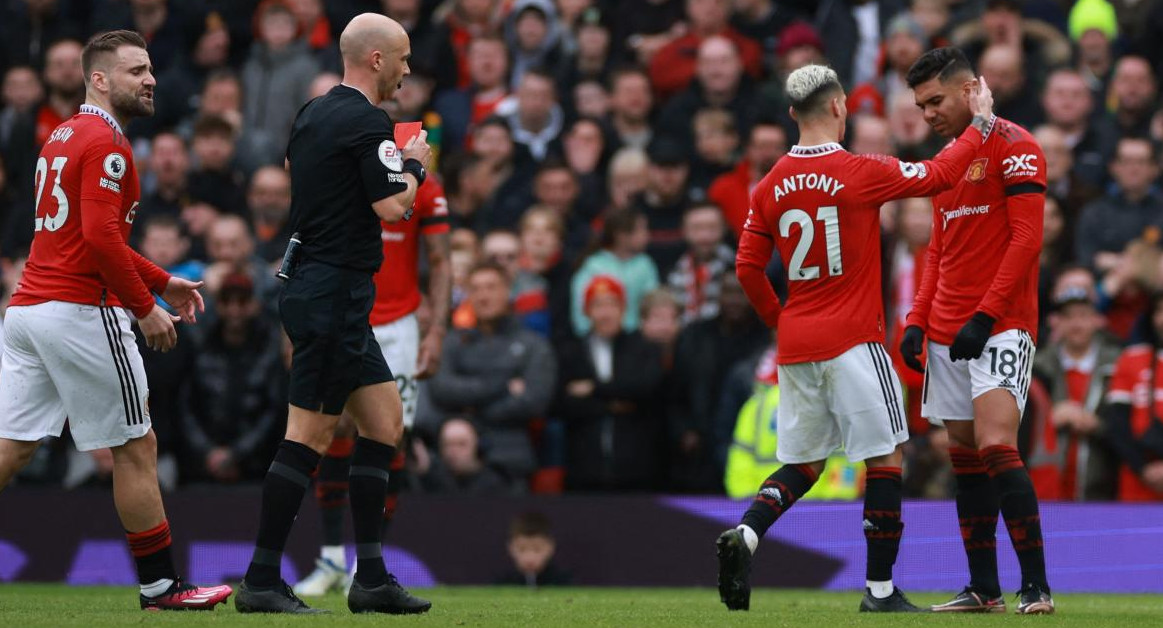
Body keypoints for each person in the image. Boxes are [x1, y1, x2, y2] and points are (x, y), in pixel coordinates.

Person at [718, 63, 993, 613]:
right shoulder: (859, 171)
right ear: (840, 106)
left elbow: (747, 268)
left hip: (796, 345)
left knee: (805, 463)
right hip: (855, 341)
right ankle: (880, 592)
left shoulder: (768, 186)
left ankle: (747, 533)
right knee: (886, 458)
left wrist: (781, 320)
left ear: (794, 113)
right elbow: (939, 175)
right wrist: (981, 126)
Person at [0, 30, 230, 611]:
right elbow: (101, 240)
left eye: (150, 69)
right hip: (79, 312)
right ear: (99, 79)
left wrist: (162, 280)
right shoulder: (107, 142)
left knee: (12, 448)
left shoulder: (62, 134)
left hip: (28, 310)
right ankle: (162, 587)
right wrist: (144, 306)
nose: (150, 79)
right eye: (136, 71)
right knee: (136, 445)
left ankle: (161, 586)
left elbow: (84, 236)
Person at [234, 14, 432, 615]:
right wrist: (416, 162)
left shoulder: (313, 112)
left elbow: (304, 175)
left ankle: (369, 578)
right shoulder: (370, 121)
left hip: (323, 287)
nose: (406, 67)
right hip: (332, 292)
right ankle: (262, 579)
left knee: (384, 423)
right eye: (401, 56)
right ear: (375, 59)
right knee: (309, 436)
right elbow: (395, 207)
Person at [899, 47, 1053, 614]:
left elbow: (1026, 240)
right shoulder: (946, 160)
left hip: (1001, 326)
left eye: (935, 100)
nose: (928, 113)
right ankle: (984, 588)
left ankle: (1035, 585)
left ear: (970, 91)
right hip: (945, 330)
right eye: (920, 105)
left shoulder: (1018, 148)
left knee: (995, 444)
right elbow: (938, 250)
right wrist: (917, 320)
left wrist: (986, 316)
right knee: (963, 457)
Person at [293, 170, 450, 597]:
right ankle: (330, 557)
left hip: (399, 324)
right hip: (343, 313)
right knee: (333, 428)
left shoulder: (425, 185)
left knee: (390, 436)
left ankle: (368, 564)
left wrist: (436, 331)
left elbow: (440, 259)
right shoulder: (344, 172)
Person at [494, 511, 572, 587]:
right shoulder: (500, 584)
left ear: (550, 547)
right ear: (511, 547)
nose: (529, 558)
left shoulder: (565, 583)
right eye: (522, 549)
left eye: (537, 549)